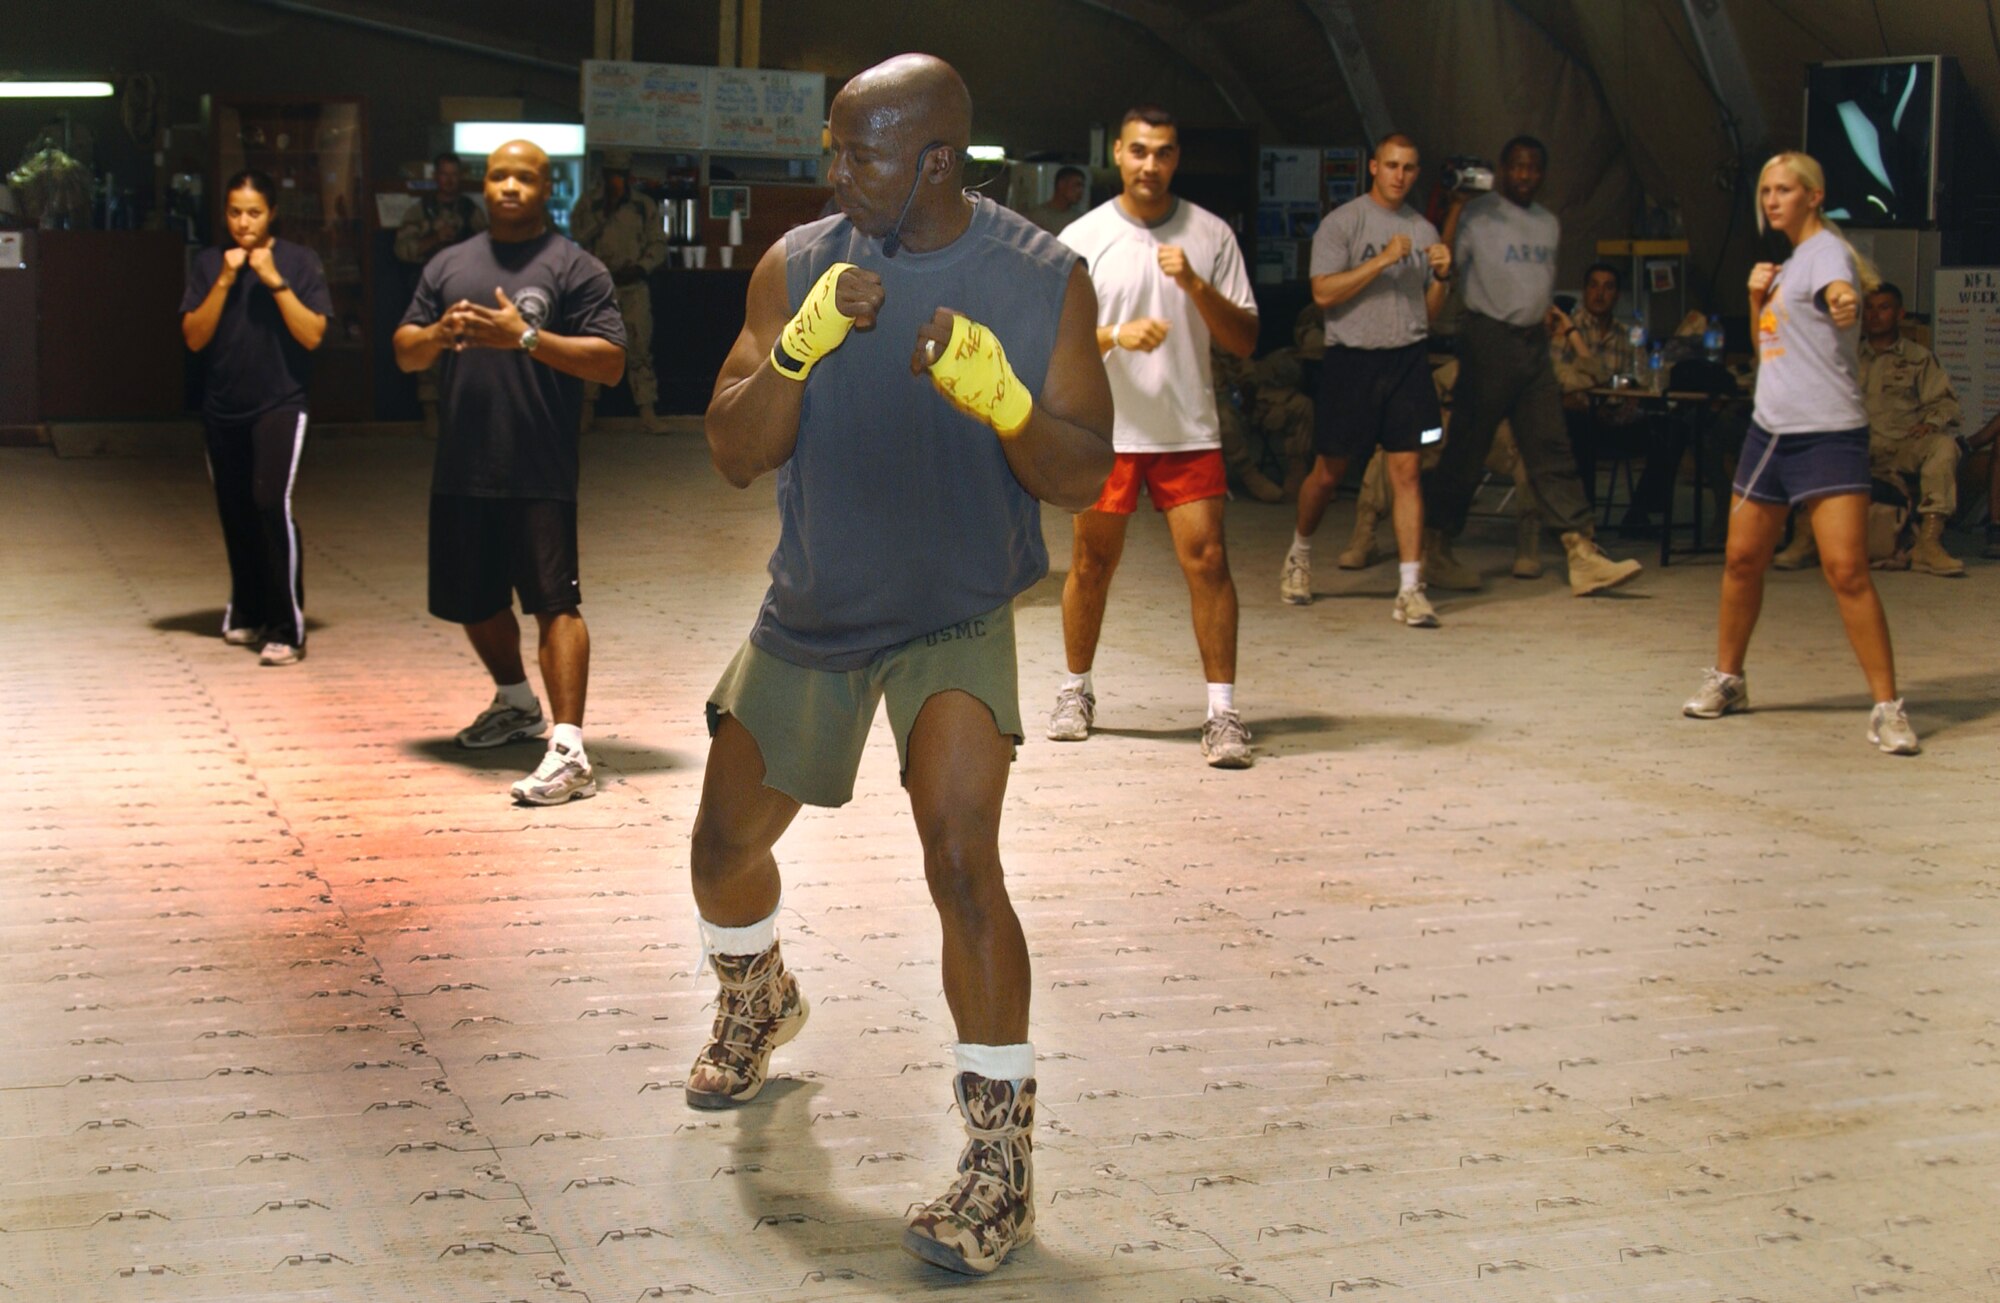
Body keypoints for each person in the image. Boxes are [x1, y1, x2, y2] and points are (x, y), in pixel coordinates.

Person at [688, 55, 1113, 1277]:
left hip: (956, 613)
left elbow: (1083, 477)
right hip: (817, 610)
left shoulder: (1043, 281)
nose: (833, 174)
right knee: (721, 851)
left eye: (857, 154)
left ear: (935, 159)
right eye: (831, 149)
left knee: (961, 861)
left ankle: (999, 1167)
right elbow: (729, 450)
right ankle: (757, 991)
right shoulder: (796, 265)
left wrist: (1008, 405)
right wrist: (795, 353)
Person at [392, 140, 628, 802]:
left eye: (526, 177)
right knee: (474, 600)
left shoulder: (574, 267)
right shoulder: (448, 263)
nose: (511, 187)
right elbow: (405, 351)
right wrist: (439, 335)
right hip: (462, 465)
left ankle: (569, 747)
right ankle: (516, 702)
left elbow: (609, 361)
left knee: (556, 602)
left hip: (538, 466)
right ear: (483, 183)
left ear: (548, 187)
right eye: (499, 176)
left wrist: (521, 336)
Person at [1682, 151, 1919, 756]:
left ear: (1814, 196)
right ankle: (1728, 679)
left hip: (1829, 434)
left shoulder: (1826, 255)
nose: (1772, 200)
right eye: (1766, 191)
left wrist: (1845, 301)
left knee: (1846, 571)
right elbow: (1771, 355)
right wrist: (1757, 299)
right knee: (1741, 561)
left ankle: (1888, 709)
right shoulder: (1784, 267)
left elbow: (1841, 295)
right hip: (1771, 433)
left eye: (1784, 189)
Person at [1050, 105, 1261, 767]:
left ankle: (1223, 714)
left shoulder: (1210, 234)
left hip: (1186, 429)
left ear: (1177, 158)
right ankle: (1075, 690)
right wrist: (1115, 335)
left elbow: (1246, 340)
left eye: (1164, 152)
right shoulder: (1083, 236)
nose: (1151, 164)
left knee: (1209, 562)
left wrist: (1194, 283)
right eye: (1139, 150)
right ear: (1117, 152)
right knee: (1091, 563)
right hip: (1105, 429)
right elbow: (1050, 345)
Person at [1422, 137, 1643, 596]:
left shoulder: (1548, 224)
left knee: (1552, 446)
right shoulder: (1478, 215)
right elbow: (1445, 265)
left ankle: (1581, 552)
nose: (1525, 176)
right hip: (1488, 339)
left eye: (1534, 168)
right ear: (1503, 169)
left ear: (1543, 173)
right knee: (1466, 447)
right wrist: (1456, 207)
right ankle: (1436, 548)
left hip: (1533, 345)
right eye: (1518, 167)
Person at [1279, 133, 1451, 626]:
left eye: (1410, 168)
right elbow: (1324, 294)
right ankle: (1299, 555)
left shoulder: (1424, 229)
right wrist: (1379, 261)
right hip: (1352, 361)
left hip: (1408, 360)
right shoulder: (1344, 222)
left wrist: (1441, 276)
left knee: (1407, 474)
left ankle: (1410, 589)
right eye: (1392, 165)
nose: (1400, 175)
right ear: (1374, 167)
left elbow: (1430, 312)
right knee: (1329, 473)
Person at [179, 169, 332, 667]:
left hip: (280, 402)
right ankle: (247, 609)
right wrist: (225, 278)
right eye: (234, 212)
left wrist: (273, 281)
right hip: (222, 404)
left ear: (272, 213)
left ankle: (287, 627)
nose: (243, 223)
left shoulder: (299, 261)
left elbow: (312, 335)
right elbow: (194, 337)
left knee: (269, 501)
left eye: (254, 212)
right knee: (235, 509)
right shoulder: (207, 263)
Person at [1780, 282, 1963, 576]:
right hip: (1855, 448)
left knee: (1943, 446)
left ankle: (1929, 543)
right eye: (1869, 309)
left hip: (1902, 446)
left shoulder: (1918, 358)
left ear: (1899, 313)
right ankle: (1805, 538)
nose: (1875, 315)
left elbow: (1945, 403)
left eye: (1884, 308)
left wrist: (1930, 423)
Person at [569, 149, 671, 434]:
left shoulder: (643, 205)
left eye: (622, 175)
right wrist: (607, 209)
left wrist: (641, 267)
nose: (617, 180)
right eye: (612, 174)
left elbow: (658, 244)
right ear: (604, 175)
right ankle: (586, 411)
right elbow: (578, 236)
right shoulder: (590, 205)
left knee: (640, 348)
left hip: (633, 286)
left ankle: (647, 411)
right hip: (598, 289)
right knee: (593, 348)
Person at [393, 153, 487, 436]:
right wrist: (434, 238)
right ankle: (432, 415)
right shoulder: (420, 211)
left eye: (454, 175)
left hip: (466, 291)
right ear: (436, 177)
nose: (449, 181)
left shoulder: (471, 211)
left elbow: (488, 248)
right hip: (430, 291)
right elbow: (402, 249)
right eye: (444, 175)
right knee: (430, 350)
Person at [1024, 165, 1086, 235]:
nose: (1081, 191)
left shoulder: (1079, 220)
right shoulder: (1036, 216)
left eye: (1082, 187)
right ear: (1061, 184)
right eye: (1077, 185)